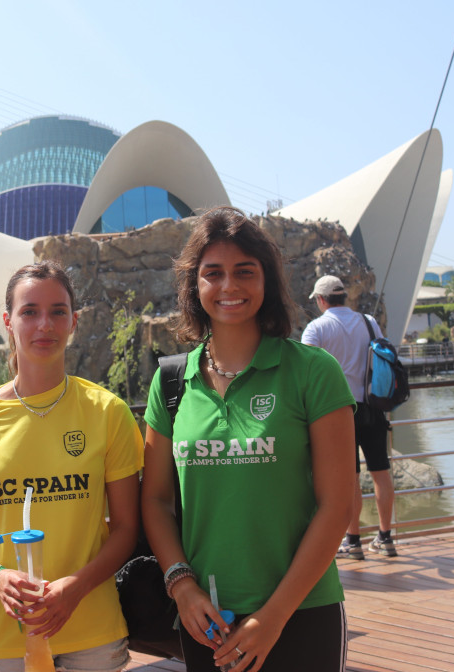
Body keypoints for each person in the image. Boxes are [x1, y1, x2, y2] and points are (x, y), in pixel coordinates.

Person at [141, 208, 355, 672]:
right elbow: (155, 501)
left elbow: (339, 505)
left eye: (244, 272)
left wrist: (274, 617)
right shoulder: (171, 383)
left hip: (303, 612)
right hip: (207, 618)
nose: (228, 287)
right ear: (194, 286)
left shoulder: (313, 372)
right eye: (212, 273)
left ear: (267, 280)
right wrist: (182, 587)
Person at [0, 260, 143, 672]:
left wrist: (75, 588)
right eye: (30, 312)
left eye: (57, 311)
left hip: (92, 629)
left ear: (73, 322)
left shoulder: (107, 412)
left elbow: (127, 529)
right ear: (9, 321)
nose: (44, 324)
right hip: (5, 632)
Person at [302, 275, 398, 559]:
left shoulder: (316, 328)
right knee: (381, 472)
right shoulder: (369, 322)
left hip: (336, 412)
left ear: (321, 300)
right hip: (373, 406)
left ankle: (353, 540)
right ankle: (385, 536)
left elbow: (305, 372)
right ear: (344, 297)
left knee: (350, 477)